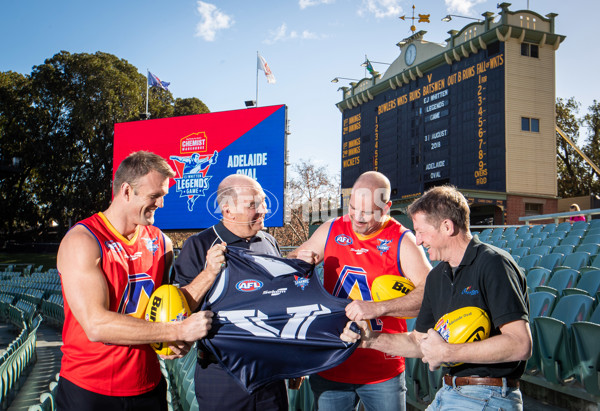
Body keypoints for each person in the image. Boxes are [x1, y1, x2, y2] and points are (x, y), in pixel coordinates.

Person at [341, 185, 531, 411]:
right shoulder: (436, 278)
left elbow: (520, 344)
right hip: (448, 391)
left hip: (489, 394)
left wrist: (448, 352)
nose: (418, 241)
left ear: (447, 226)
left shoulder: (493, 263)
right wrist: (368, 339)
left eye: (421, 232)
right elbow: (417, 343)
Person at [56, 151, 214, 411]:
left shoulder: (161, 242)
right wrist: (177, 331)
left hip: (148, 385)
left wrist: (208, 274)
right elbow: (96, 325)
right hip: (89, 389)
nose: (161, 204)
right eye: (155, 196)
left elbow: (164, 307)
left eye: (163, 195)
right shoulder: (83, 240)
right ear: (127, 191)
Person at [290, 171, 432, 411]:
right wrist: (300, 259)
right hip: (332, 362)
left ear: (386, 208)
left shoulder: (401, 240)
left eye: (367, 212)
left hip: (382, 366)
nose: (357, 217)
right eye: (353, 207)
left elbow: (430, 292)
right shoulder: (331, 229)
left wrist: (380, 307)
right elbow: (291, 266)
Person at [173, 174, 293, 411]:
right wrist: (208, 273)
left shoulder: (269, 241)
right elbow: (180, 311)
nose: (264, 209)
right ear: (228, 210)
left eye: (263, 202)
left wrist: (291, 358)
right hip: (223, 373)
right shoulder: (198, 245)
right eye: (253, 204)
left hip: (271, 370)